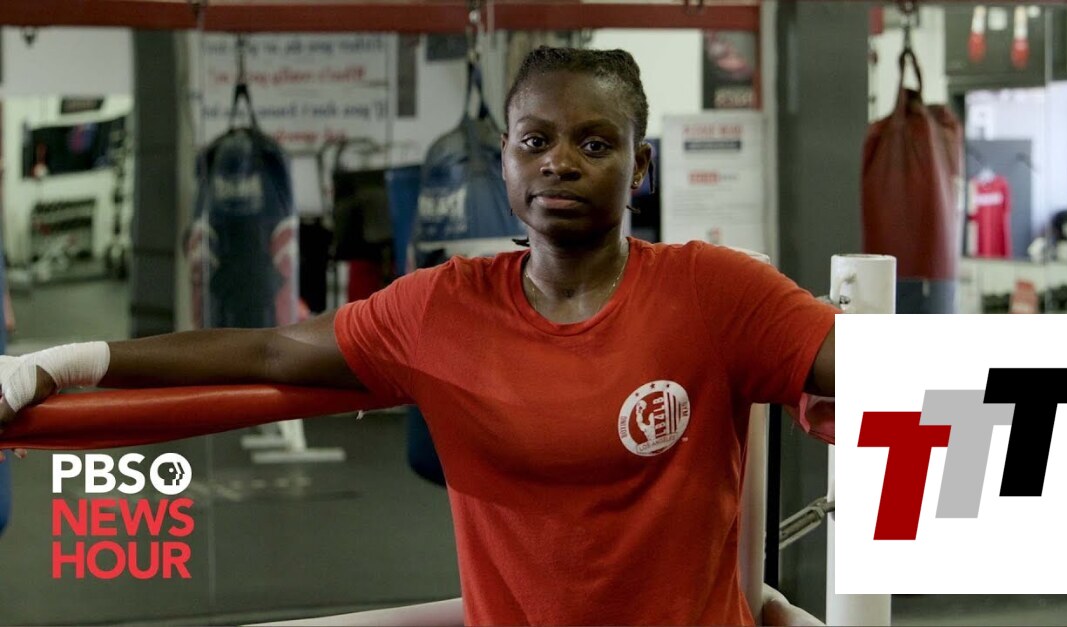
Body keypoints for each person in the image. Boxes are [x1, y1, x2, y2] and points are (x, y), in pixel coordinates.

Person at [0, 47, 834, 626]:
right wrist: (65, 362)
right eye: (535, 141)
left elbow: (883, 372)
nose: (560, 162)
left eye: (594, 142)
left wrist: (854, 389)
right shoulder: (442, 309)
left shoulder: (714, 291)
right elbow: (268, 350)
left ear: (638, 166)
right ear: (503, 158)